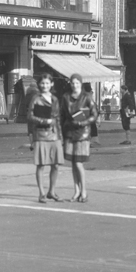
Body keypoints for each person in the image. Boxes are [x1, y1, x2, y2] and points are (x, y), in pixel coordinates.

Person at [60, 73, 98, 203]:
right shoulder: (65, 97)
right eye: (72, 83)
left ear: (80, 84)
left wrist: (83, 122)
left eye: (77, 83)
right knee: (72, 163)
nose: (74, 85)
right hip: (69, 133)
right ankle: (76, 190)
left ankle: (84, 191)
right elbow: (62, 116)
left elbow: (94, 115)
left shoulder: (86, 97)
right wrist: (61, 133)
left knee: (78, 163)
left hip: (82, 134)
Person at [29, 73, 63, 203]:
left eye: (47, 83)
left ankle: (51, 191)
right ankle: (41, 193)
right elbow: (30, 117)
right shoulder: (35, 99)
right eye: (42, 83)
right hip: (41, 135)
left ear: (51, 84)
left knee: (55, 165)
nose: (45, 86)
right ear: (39, 84)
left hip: (55, 136)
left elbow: (58, 118)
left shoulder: (55, 99)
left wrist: (61, 138)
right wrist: (45, 121)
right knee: (41, 165)